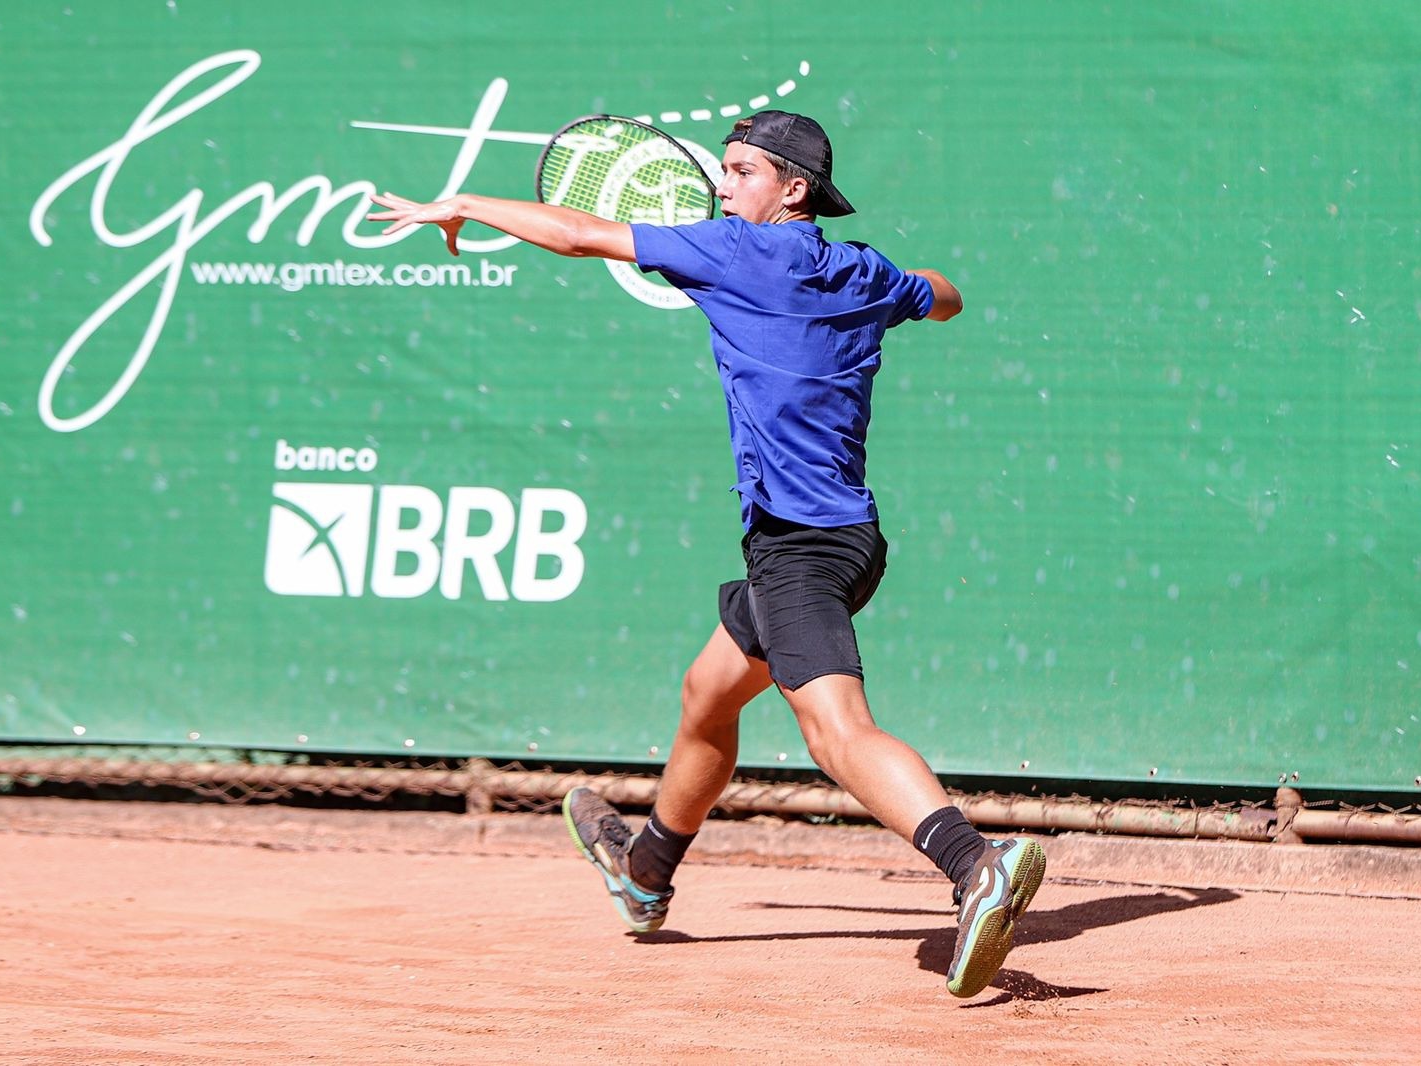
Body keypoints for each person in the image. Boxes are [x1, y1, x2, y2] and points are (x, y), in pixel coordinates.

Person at [367, 110, 1045, 998]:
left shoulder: (733, 254)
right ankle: (645, 871)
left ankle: (973, 862)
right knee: (707, 693)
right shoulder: (863, 270)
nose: (720, 186)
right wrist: (890, 289)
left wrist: (463, 201)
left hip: (802, 549)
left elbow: (575, 234)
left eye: (739, 172)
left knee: (835, 732)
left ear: (791, 189)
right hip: (839, 542)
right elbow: (944, 293)